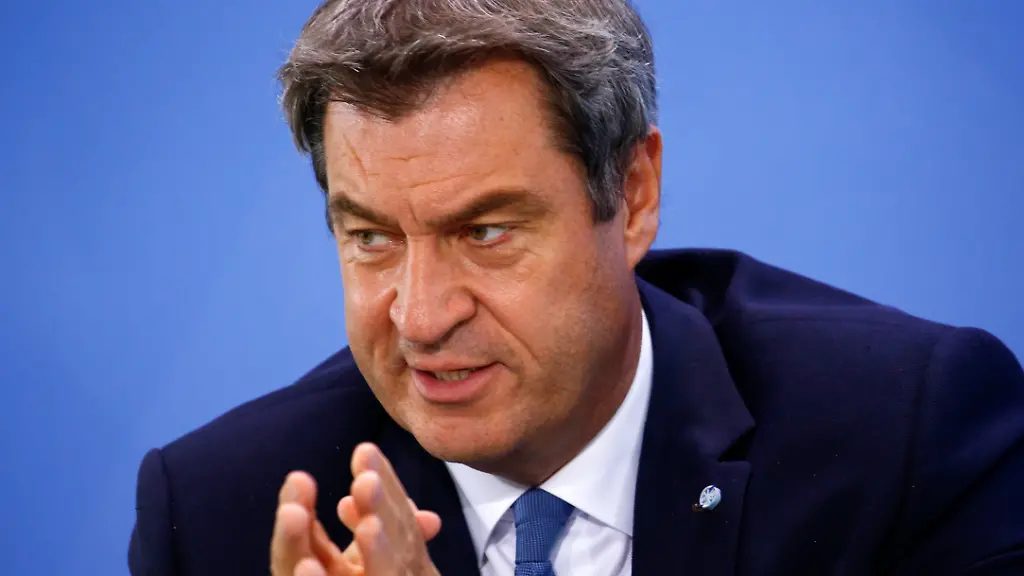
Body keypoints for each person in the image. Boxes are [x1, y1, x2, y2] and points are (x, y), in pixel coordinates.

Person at [128, 0, 1024, 574]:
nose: (422, 317)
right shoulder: (221, 515)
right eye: (370, 238)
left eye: (485, 232)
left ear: (632, 196)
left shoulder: (907, 436)